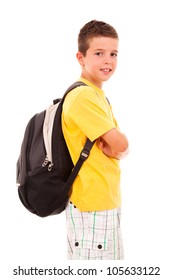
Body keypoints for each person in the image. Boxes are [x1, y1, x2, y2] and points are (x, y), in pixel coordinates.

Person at [62, 19, 129, 260]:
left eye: (113, 53)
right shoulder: (83, 97)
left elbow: (117, 147)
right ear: (81, 58)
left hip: (102, 199)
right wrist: (120, 149)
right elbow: (121, 145)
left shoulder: (96, 94)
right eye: (99, 53)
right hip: (92, 203)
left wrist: (118, 149)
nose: (108, 60)